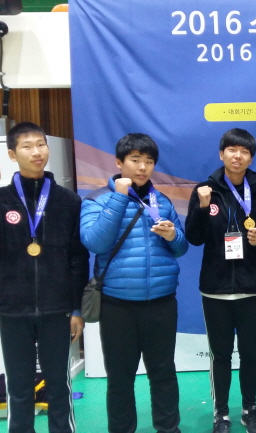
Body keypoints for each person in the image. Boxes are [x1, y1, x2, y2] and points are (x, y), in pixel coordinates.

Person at [0, 122, 89, 433]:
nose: (36, 152)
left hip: (57, 309)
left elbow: (78, 258)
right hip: (11, 308)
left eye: (41, 144)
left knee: (58, 385)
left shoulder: (68, 201)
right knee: (19, 386)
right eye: (27, 146)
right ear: (12, 154)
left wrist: (77, 308)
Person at [80, 133, 188, 433]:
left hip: (161, 302)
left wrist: (173, 236)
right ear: (119, 162)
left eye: (149, 162)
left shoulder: (161, 201)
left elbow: (181, 248)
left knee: (164, 373)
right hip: (118, 305)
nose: (142, 167)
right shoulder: (98, 199)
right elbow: (94, 242)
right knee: (120, 377)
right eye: (136, 160)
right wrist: (118, 197)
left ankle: (169, 428)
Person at [186, 128, 256, 433]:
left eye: (244, 151)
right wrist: (203, 208)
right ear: (221, 154)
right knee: (221, 356)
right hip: (215, 290)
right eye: (231, 150)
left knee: (250, 355)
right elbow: (193, 237)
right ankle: (221, 413)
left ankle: (249, 409)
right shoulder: (205, 191)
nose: (237, 156)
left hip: (252, 289)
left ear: (251, 158)